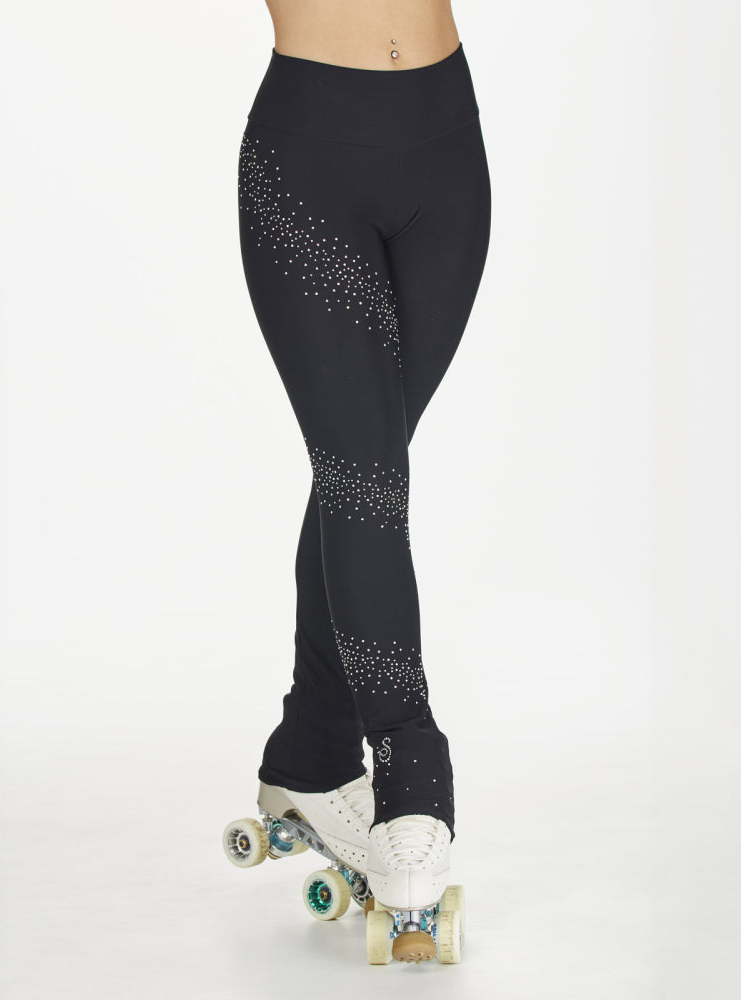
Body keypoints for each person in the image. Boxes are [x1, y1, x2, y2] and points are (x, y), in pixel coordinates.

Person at [237, 0, 491, 918]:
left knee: (364, 466)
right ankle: (410, 765)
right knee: (363, 479)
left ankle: (310, 749)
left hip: (448, 150)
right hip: (309, 165)